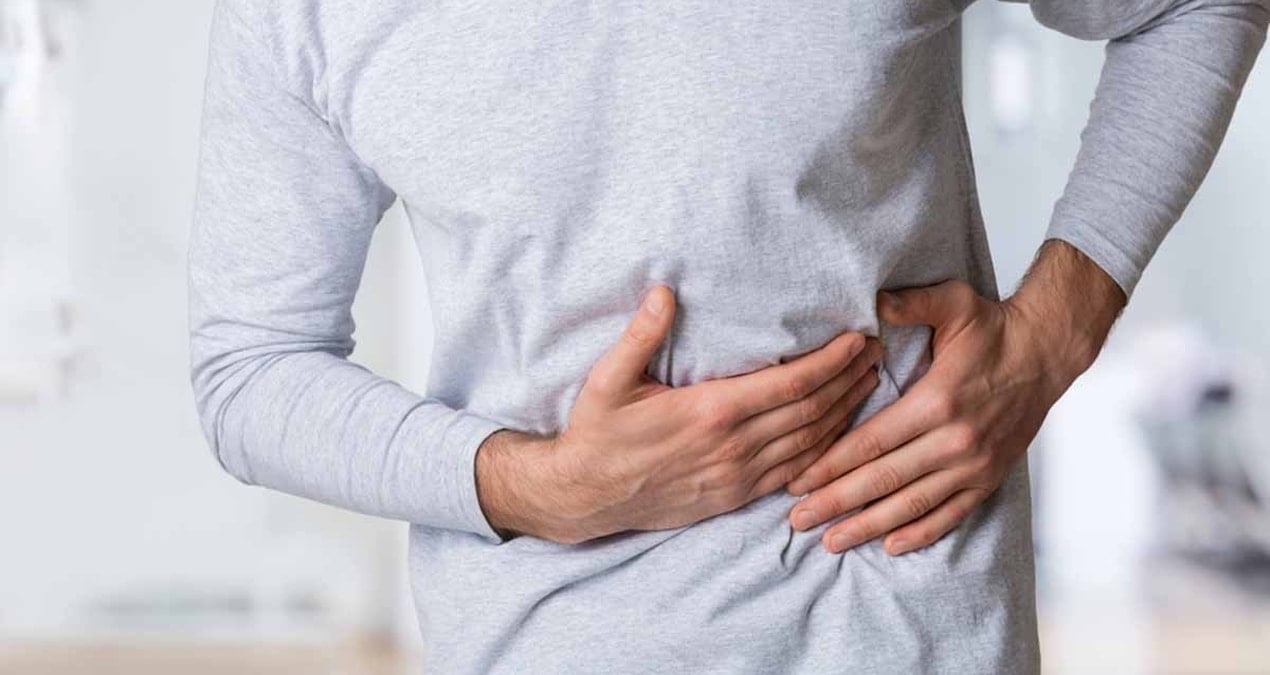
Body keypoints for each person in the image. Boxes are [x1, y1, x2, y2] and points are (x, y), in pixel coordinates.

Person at [187, 0, 1267, 671]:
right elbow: (251, 366)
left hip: (900, 632)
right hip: (543, 645)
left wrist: (1050, 336)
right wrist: (537, 485)